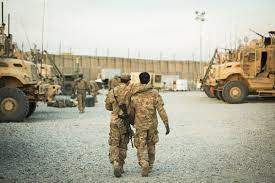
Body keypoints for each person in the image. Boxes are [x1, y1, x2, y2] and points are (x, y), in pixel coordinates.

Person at [128, 72, 170, 177]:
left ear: (139, 80)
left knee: (141, 145)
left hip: (140, 125)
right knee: (151, 144)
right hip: (152, 125)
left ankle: (144, 163)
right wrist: (166, 124)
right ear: (149, 80)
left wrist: (132, 122)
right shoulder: (155, 93)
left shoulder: (134, 94)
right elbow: (161, 110)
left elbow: (131, 112)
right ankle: (150, 165)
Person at [105, 75, 132, 178]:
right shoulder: (131, 91)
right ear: (129, 81)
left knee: (114, 142)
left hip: (115, 120)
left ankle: (115, 162)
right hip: (125, 121)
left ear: (120, 80)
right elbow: (134, 106)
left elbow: (107, 106)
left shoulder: (112, 91)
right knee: (123, 144)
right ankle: (121, 165)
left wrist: (115, 108)